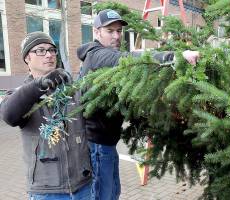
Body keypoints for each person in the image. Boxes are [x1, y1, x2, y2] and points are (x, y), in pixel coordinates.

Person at [77, 9, 200, 200]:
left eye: (119, 31)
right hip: (98, 146)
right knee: (104, 196)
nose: (117, 36)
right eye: (110, 31)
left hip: (105, 144)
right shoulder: (98, 55)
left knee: (112, 193)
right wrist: (175, 56)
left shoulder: (104, 56)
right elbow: (128, 60)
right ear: (96, 32)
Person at [0, 31, 92, 200]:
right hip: (47, 191)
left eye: (52, 50)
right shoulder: (21, 94)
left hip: (83, 186)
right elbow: (8, 115)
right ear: (27, 58)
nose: (49, 54)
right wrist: (39, 84)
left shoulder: (71, 90)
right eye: (41, 50)